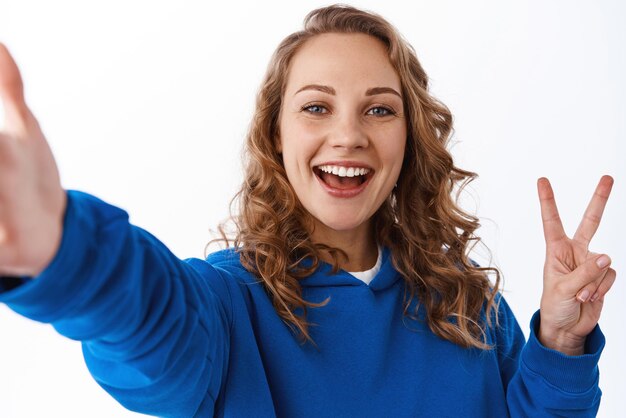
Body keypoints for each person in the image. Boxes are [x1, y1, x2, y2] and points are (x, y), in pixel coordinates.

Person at [0, 4, 616, 418]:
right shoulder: (225, 306)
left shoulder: (469, 306)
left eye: (378, 109)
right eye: (316, 107)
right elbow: (146, 316)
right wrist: (63, 247)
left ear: (409, 140)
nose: (347, 135)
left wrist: (562, 340)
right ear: (276, 137)